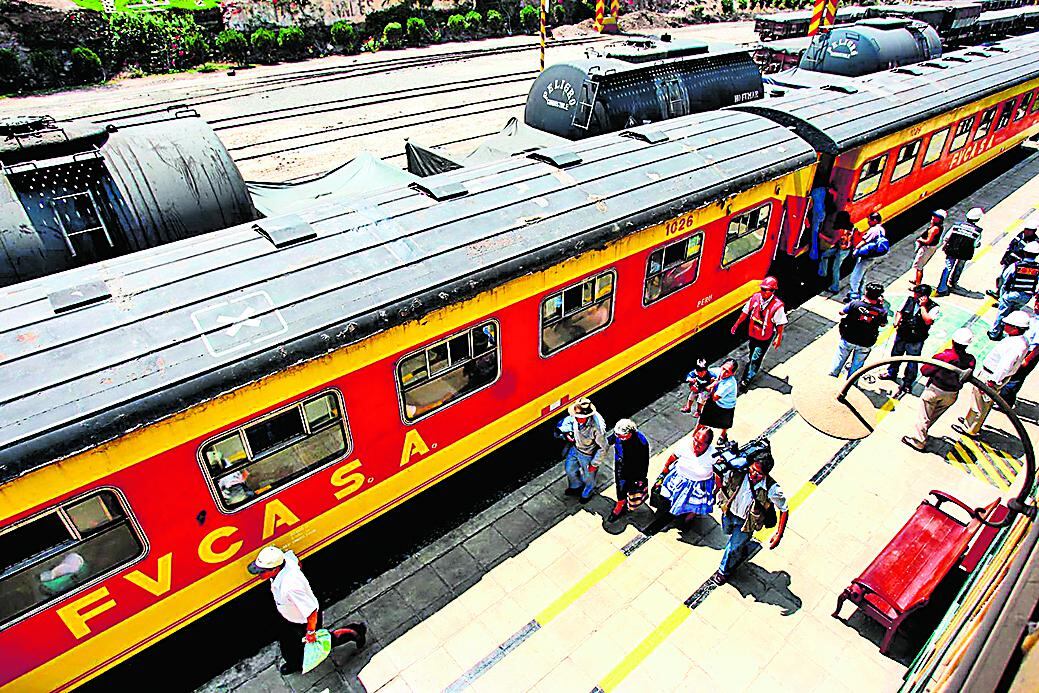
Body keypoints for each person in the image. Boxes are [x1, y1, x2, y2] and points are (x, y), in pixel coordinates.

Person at [247, 546, 366, 675]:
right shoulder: (285, 560)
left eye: (262, 572)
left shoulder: (290, 587)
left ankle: (355, 632)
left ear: (275, 569)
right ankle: (294, 663)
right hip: (288, 617)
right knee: (289, 646)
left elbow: (311, 612)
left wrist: (310, 632)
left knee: (321, 643)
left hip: (302, 622)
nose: (259, 575)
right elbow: (296, 561)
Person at [713, 446, 788, 584]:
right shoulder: (739, 472)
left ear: (766, 474)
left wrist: (779, 534)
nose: (753, 475)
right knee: (727, 532)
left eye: (758, 474)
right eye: (752, 470)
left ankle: (723, 571)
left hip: (746, 523)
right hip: (728, 513)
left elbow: (784, 509)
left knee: (731, 547)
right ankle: (742, 546)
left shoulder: (772, 489)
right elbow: (720, 478)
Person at [954, 310, 1031, 438]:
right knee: (979, 401)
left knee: (981, 403)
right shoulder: (1020, 341)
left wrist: (992, 381)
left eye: (1008, 324)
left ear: (1015, 328)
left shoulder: (1015, 345)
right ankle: (970, 421)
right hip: (992, 374)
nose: (1004, 325)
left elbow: (1005, 366)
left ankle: (971, 429)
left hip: (991, 376)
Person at [902, 328, 976, 451]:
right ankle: (923, 433)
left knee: (924, 416)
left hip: (935, 390)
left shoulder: (944, 357)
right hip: (952, 394)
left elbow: (925, 370)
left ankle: (918, 441)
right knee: (933, 416)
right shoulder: (970, 360)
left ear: (953, 341)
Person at [650, 427, 717, 530]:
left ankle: (686, 522)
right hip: (679, 480)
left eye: (700, 443)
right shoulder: (685, 445)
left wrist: (715, 490)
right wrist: (664, 470)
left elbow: (718, 474)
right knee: (669, 499)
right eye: (695, 440)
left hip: (698, 486)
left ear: (708, 445)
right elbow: (673, 457)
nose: (696, 445)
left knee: (692, 506)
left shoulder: (714, 455)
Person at [879, 284, 939, 393]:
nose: (915, 295)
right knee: (896, 355)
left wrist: (923, 306)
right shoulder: (909, 300)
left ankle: (907, 382)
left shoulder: (934, 307)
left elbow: (928, 321)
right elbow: (900, 311)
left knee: (912, 361)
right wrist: (897, 320)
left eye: (917, 294)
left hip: (916, 339)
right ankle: (891, 372)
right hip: (902, 334)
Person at [730, 276, 787, 388]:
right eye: (763, 289)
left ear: (773, 291)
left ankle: (747, 379)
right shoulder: (755, 298)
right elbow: (745, 312)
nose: (764, 292)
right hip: (753, 334)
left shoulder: (777, 306)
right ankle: (751, 366)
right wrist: (736, 324)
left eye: (767, 290)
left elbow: (780, 323)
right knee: (752, 353)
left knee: (756, 358)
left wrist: (778, 337)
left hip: (765, 336)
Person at [830, 282, 888, 379]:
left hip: (848, 337)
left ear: (866, 292)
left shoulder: (855, 304)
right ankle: (850, 385)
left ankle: (831, 378)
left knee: (839, 359)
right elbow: (882, 324)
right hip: (866, 342)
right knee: (857, 367)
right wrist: (880, 307)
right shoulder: (881, 311)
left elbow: (841, 312)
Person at [555, 397, 608, 503]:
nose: (576, 419)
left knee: (589, 476)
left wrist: (594, 463)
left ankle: (589, 490)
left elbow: (603, 447)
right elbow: (568, 421)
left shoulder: (598, 428)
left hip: (588, 454)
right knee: (569, 469)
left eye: (579, 417)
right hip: (575, 448)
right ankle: (576, 486)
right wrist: (567, 433)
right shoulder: (576, 416)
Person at [988, 241, 1039, 340]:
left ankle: (995, 333)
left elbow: (1005, 277)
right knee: (1013, 314)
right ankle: (1009, 333)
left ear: (1024, 252)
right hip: (1025, 297)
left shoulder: (1016, 265)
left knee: (1002, 313)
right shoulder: (1037, 268)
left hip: (1011, 294)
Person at [607, 419, 651, 522]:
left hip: (632, 470)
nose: (619, 438)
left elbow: (644, 462)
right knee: (620, 486)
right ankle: (621, 503)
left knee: (626, 487)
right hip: (620, 465)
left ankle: (622, 505)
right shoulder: (618, 435)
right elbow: (610, 440)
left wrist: (641, 478)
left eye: (622, 436)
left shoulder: (641, 442)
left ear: (630, 432)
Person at [936, 207, 984, 296]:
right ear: (977, 219)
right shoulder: (978, 231)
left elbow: (946, 237)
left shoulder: (957, 225)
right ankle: (953, 283)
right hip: (964, 253)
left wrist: (945, 245)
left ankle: (942, 287)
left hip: (952, 250)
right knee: (959, 267)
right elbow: (975, 244)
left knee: (948, 267)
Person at [989, 218, 1039, 298]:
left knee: (1009, 281)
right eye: (1026, 229)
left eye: (1029, 230)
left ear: (1034, 231)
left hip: (1018, 264)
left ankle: (1003, 297)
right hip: (1009, 259)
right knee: (1001, 277)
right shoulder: (1021, 234)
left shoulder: (1035, 242)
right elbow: (1011, 245)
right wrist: (1004, 258)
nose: (1026, 231)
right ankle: (998, 292)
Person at [700, 359, 740, 449]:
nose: (723, 373)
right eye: (723, 369)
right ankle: (697, 433)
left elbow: (715, 398)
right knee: (703, 419)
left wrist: (713, 385)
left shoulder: (729, 384)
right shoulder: (716, 371)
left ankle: (723, 435)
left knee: (725, 424)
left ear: (732, 374)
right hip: (715, 400)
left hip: (726, 405)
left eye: (727, 372)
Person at [1001, 316, 1039, 408]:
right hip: (1024, 348)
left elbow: (1038, 347)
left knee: (1015, 379)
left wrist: (1027, 359)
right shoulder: (1034, 318)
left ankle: (1005, 403)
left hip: (1030, 354)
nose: (1036, 305)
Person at [848, 212, 886, 301]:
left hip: (867, 256)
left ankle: (854, 296)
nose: (868, 222)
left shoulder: (873, 230)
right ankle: (861, 292)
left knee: (855, 276)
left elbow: (864, 241)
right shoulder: (881, 229)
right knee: (863, 274)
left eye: (869, 220)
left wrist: (856, 250)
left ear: (875, 220)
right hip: (873, 255)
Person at [818, 211, 854, 293]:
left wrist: (821, 235)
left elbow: (832, 241)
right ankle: (822, 273)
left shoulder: (840, 231)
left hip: (842, 251)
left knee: (836, 269)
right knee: (824, 255)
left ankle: (835, 287)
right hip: (845, 249)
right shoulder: (851, 227)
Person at [912, 210, 946, 288]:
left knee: (919, 266)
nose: (933, 217)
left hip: (927, 248)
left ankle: (917, 285)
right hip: (929, 247)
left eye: (936, 217)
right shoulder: (936, 226)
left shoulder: (934, 229)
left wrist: (919, 240)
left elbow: (928, 241)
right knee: (918, 265)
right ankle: (916, 280)